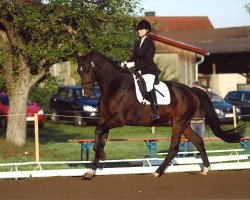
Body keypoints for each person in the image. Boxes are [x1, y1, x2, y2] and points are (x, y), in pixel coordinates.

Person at [121, 19, 161, 122]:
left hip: (149, 70)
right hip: (139, 70)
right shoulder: (137, 43)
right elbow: (134, 57)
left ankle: (156, 111)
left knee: (148, 86)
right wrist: (126, 62)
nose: (139, 31)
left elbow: (148, 60)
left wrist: (134, 64)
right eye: (138, 29)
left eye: (141, 29)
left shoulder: (150, 44)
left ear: (147, 30)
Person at [188, 81, 206, 157]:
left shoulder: (203, 96)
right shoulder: (189, 96)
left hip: (201, 121)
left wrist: (203, 91)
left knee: (200, 139)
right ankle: (190, 155)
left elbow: (210, 98)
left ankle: (200, 155)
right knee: (191, 139)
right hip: (191, 122)